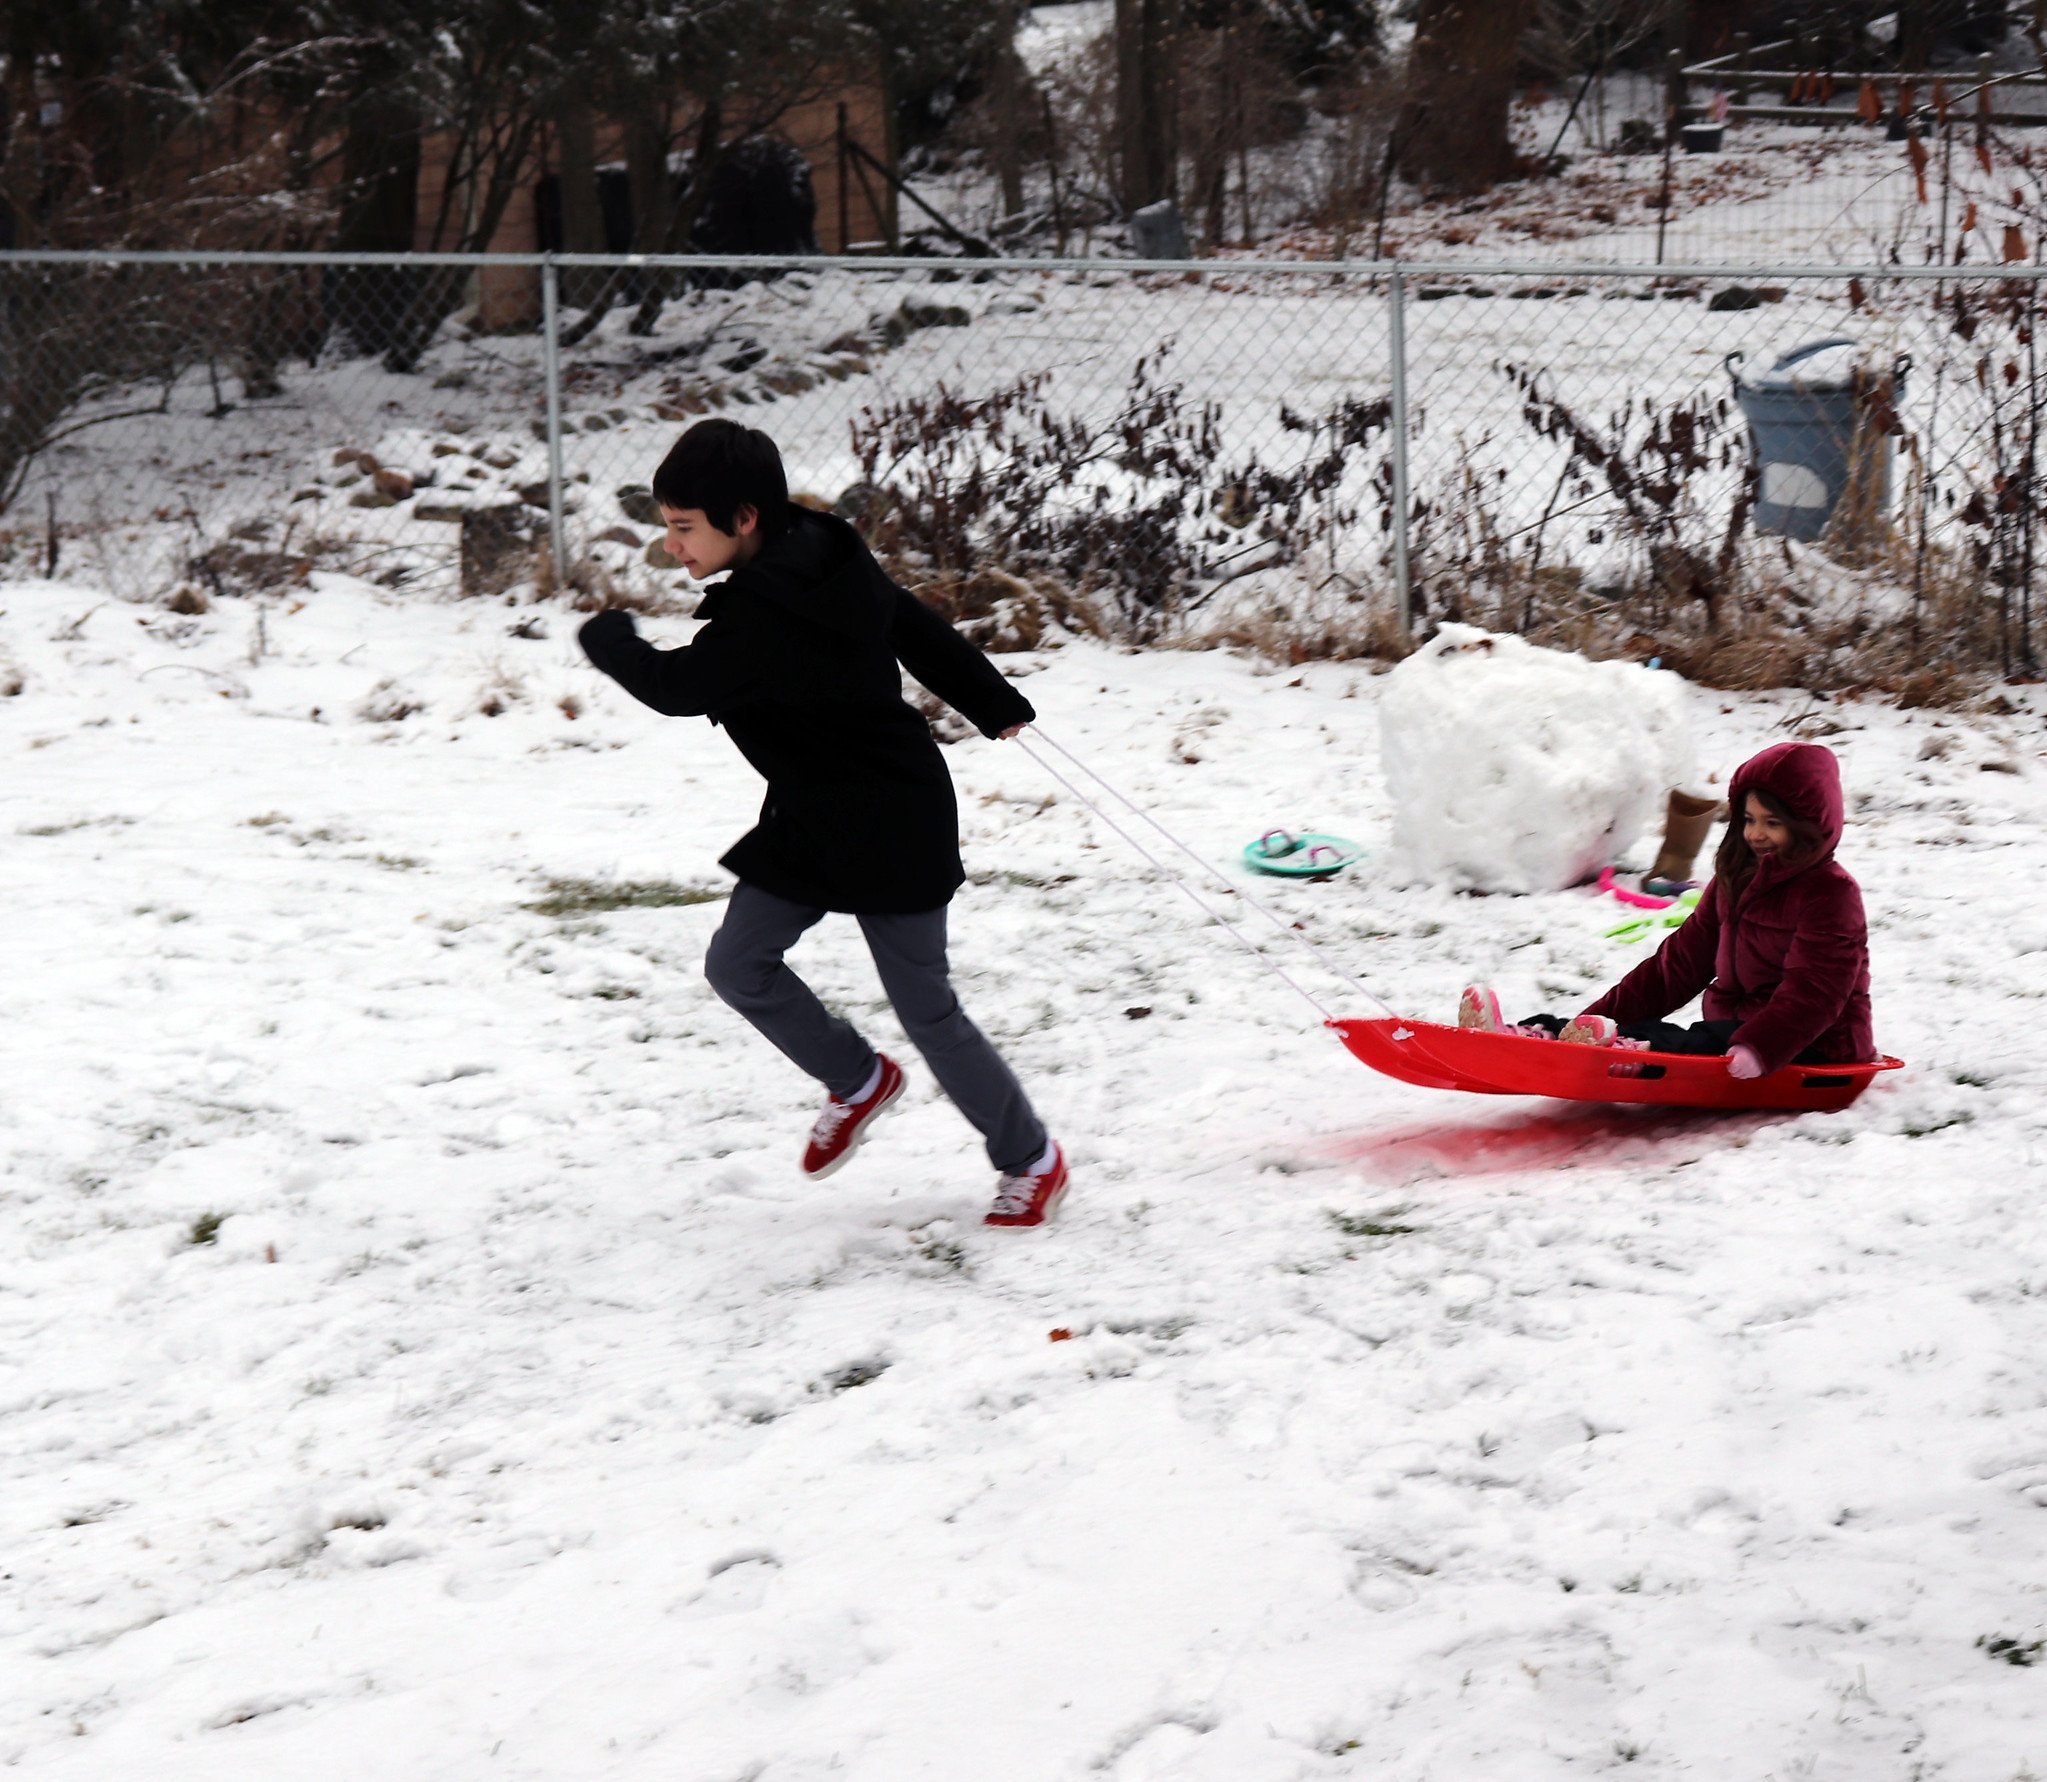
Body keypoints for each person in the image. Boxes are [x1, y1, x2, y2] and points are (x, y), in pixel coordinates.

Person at [577, 419, 1067, 1227]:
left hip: (890, 817)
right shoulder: (813, 542)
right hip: (810, 809)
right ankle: (858, 1078)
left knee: (928, 1011)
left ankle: (1030, 1158)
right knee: (739, 965)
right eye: (666, 527)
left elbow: (675, 686)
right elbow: (901, 617)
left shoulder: (770, 610)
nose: (671, 548)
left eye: (682, 528)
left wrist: (609, 639)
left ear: (742, 519)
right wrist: (990, 700)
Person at [1458, 741, 1874, 1079]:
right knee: (1673, 1030)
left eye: (1773, 823)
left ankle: (1630, 1051)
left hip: (1813, 1044)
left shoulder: (1831, 895)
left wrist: (1760, 1047)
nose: (1755, 834)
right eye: (1749, 820)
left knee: (1688, 1041)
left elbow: (1815, 996)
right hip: (1733, 1034)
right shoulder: (1736, 881)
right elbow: (1675, 968)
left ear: (1808, 825)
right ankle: (1542, 1035)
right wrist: (1596, 1018)